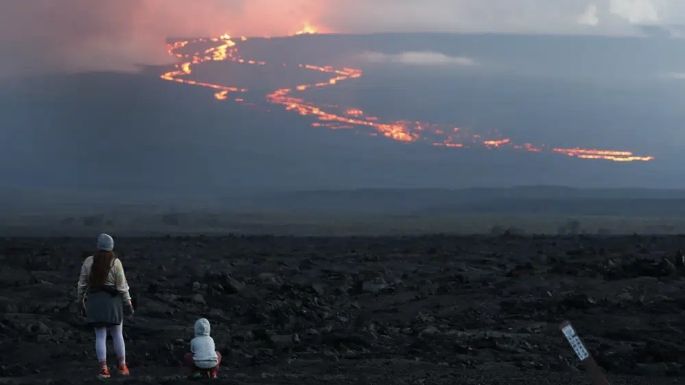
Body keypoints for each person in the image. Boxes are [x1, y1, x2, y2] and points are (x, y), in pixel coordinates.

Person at [76, 233, 134, 379]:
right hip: (112, 302)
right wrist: (128, 303)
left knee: (100, 336)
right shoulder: (116, 262)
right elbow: (122, 287)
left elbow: (82, 284)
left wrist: (80, 301)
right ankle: (122, 366)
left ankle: (104, 369)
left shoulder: (89, 262)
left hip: (95, 301)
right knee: (117, 334)